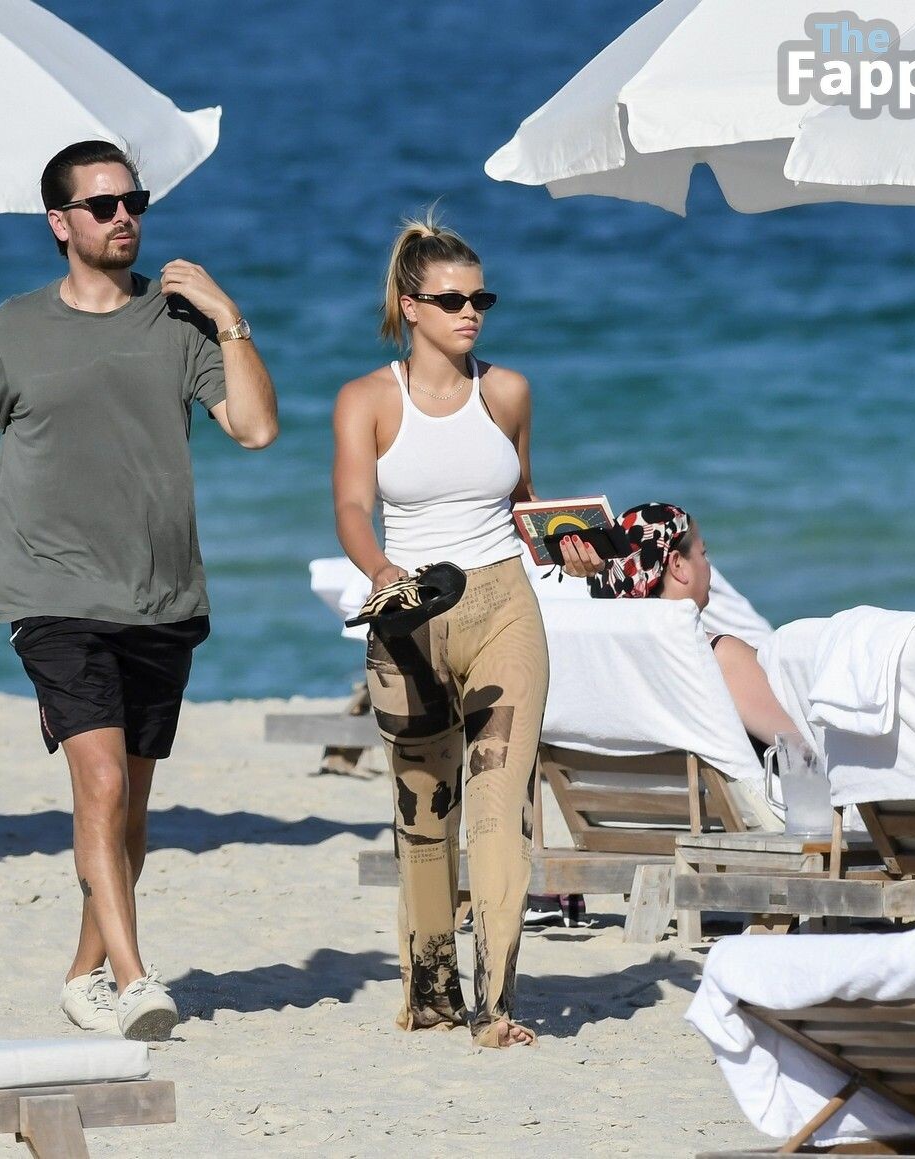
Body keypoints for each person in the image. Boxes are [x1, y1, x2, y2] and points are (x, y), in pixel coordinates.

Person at [0, 140, 277, 1042]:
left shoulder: (179, 321)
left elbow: (255, 428)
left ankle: (81, 974)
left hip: (162, 594)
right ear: (60, 223)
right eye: (102, 205)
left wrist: (227, 314)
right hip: (51, 590)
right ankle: (132, 977)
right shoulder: (15, 326)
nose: (124, 217)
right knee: (99, 782)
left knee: (128, 807)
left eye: (134, 201)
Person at [330, 211, 602, 1049]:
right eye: (451, 300)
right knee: (423, 819)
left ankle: (496, 1007)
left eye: (480, 298)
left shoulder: (507, 391)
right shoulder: (367, 400)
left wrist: (568, 544)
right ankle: (430, 992)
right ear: (410, 306)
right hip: (407, 614)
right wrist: (380, 571)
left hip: (502, 607)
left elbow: (523, 500)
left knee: (496, 809)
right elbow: (351, 507)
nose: (470, 312)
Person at [587, 503, 800, 749]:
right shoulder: (718, 656)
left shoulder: (606, 665)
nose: (707, 565)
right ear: (677, 564)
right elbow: (802, 748)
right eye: (703, 553)